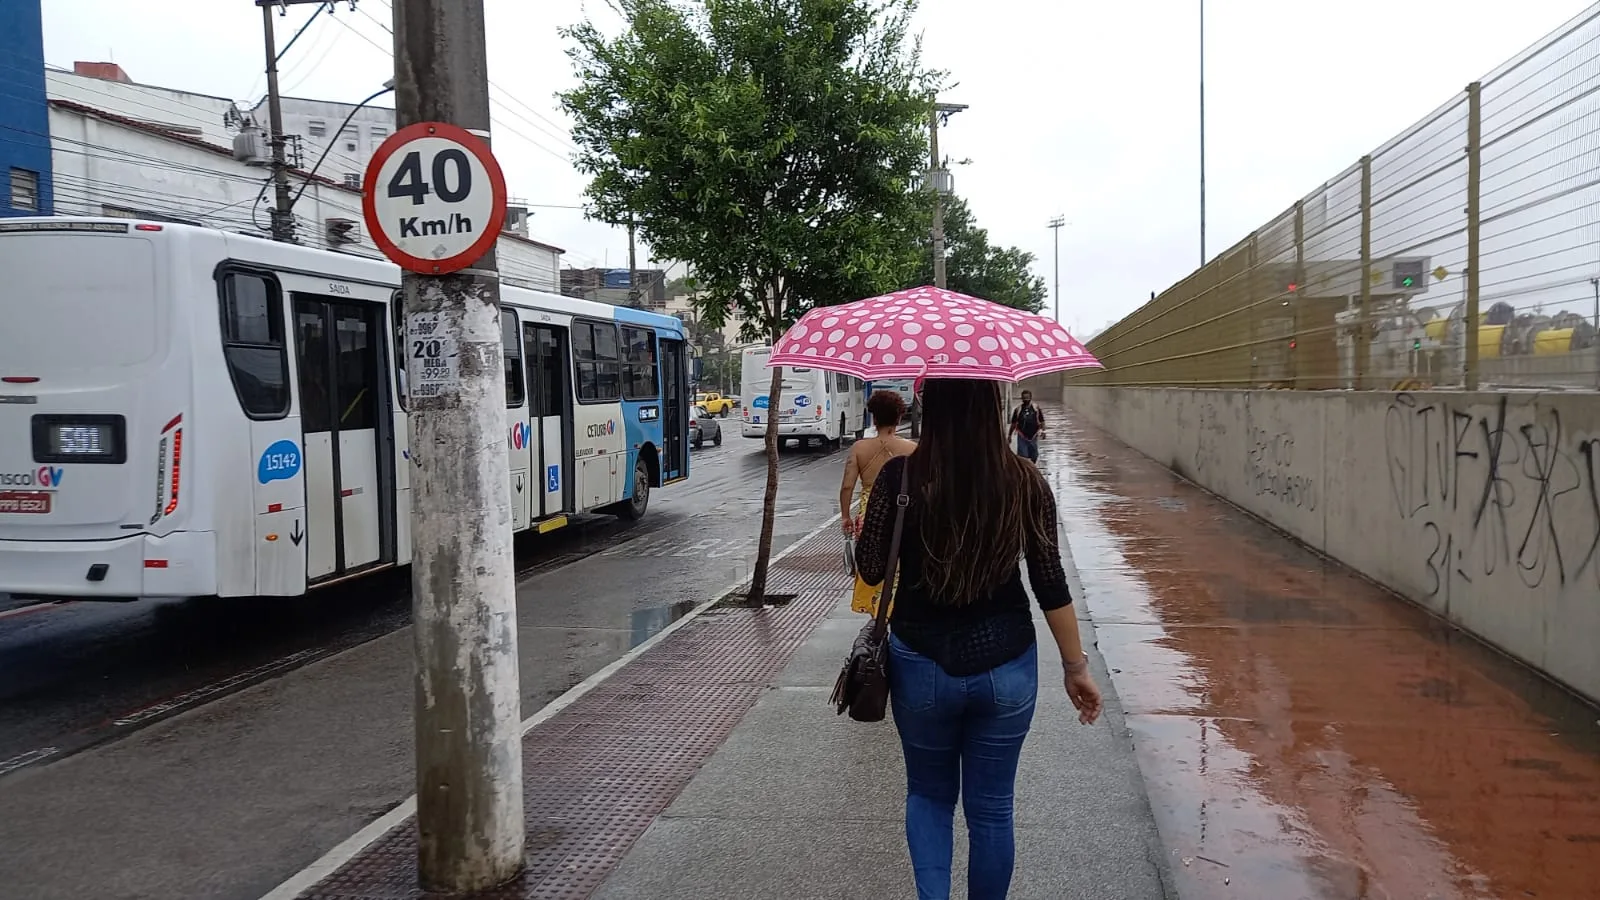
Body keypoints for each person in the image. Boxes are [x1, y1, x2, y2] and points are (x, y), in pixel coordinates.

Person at [854, 378, 1102, 900]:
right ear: (995, 406)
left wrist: (868, 527)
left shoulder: (902, 476)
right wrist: (1075, 667)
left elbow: (874, 572)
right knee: (992, 808)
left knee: (928, 795)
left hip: (920, 661)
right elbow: (1049, 581)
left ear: (930, 407)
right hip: (1006, 664)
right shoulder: (1024, 479)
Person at [841, 390, 918, 616]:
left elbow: (847, 486)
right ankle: (895, 609)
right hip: (901, 515)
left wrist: (846, 515)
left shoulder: (859, 448)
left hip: (869, 514)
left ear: (874, 418)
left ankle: (876, 611)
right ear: (898, 417)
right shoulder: (912, 449)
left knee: (873, 562)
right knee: (899, 566)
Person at [1007, 389, 1045, 462]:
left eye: (1027, 397)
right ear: (1021, 399)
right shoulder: (1017, 410)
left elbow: (1042, 420)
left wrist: (1043, 431)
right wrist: (1009, 435)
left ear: (1031, 398)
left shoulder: (1036, 408)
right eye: (1024, 398)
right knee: (1023, 456)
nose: (1026, 399)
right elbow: (1013, 424)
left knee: (1034, 455)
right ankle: (1025, 471)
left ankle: (1032, 467)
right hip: (1022, 436)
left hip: (1033, 436)